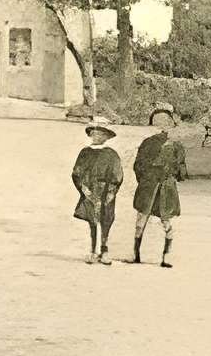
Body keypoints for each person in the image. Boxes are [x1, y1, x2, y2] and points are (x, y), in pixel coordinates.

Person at [132, 104, 188, 267]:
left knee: (164, 221)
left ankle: (164, 256)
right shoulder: (149, 143)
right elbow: (138, 165)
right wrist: (147, 180)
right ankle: (138, 255)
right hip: (151, 185)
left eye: (165, 121)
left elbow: (182, 169)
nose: (162, 124)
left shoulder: (176, 146)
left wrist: (171, 176)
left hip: (162, 186)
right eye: (158, 121)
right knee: (142, 221)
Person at [72, 123, 124, 265]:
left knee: (105, 220)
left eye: (100, 134)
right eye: (94, 134)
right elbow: (76, 173)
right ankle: (93, 251)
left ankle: (104, 250)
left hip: (105, 191)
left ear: (106, 137)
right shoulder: (84, 152)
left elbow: (117, 175)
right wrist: (83, 189)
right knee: (92, 221)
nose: (96, 137)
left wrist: (111, 192)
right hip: (89, 191)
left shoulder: (111, 154)